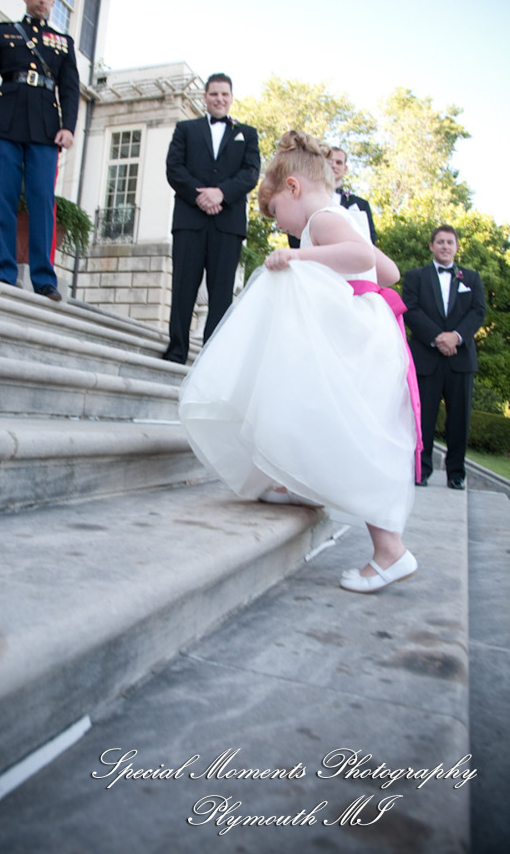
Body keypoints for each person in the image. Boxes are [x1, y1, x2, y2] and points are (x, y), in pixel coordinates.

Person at [179, 130, 421, 593]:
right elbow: (387, 272)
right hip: (368, 335)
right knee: (329, 416)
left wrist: (298, 256)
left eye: (275, 213)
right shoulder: (341, 217)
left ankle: (390, 551)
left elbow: (359, 255)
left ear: (293, 187)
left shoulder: (324, 219)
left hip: (356, 337)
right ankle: (294, 483)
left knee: (346, 429)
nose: (279, 225)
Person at [0, 0, 79, 301]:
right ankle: (5, 270)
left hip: (45, 129)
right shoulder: (3, 32)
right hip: (4, 122)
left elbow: (70, 89)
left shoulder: (63, 43)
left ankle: (43, 278)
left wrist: (68, 127)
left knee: (42, 201)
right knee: (2, 196)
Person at [163, 73, 260, 363]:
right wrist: (200, 196)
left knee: (221, 293)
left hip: (228, 224)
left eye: (224, 94)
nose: (219, 99)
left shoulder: (247, 133)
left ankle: (212, 357)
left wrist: (221, 193)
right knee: (183, 287)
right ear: (205, 97)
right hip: (189, 220)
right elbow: (174, 168)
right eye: (214, 94)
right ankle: (176, 351)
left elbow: (250, 173)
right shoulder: (185, 129)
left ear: (231, 98)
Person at [402, 225, 486, 490]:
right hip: (426, 357)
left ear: (457, 247)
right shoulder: (415, 277)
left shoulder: (471, 278)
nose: (445, 246)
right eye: (440, 242)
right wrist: (438, 337)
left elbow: (478, 311)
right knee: (423, 418)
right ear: (431, 246)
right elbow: (410, 310)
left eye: (450, 242)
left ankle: (456, 474)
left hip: (460, 359)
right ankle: (421, 470)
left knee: (459, 419)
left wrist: (456, 337)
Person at [287, 146, 376, 248]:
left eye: (339, 162)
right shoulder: (306, 198)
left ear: (345, 169)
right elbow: (294, 236)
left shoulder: (361, 204)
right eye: (330, 162)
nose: (333, 165)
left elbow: (370, 238)